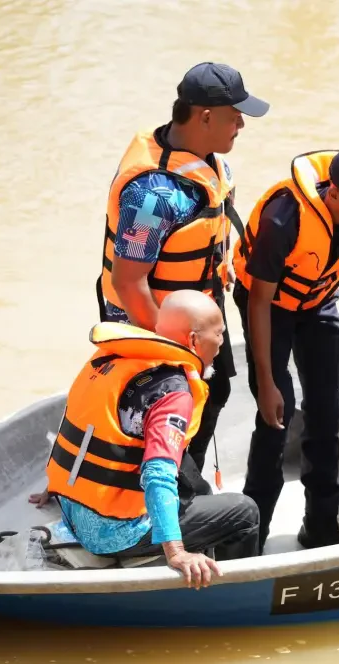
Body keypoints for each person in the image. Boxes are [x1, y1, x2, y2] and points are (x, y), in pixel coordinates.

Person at [97, 61, 270, 473]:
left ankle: (185, 479)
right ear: (205, 117)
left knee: (216, 390)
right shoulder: (152, 195)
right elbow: (129, 281)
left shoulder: (210, 164)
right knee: (168, 408)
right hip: (152, 323)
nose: (241, 125)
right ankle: (165, 486)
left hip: (199, 308)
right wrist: (172, 353)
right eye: (235, 115)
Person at [231, 145, 339, 549]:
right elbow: (258, 300)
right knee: (275, 419)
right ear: (335, 195)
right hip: (269, 307)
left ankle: (321, 524)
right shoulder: (283, 218)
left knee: (326, 416)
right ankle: (251, 532)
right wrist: (267, 382)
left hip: (318, 302)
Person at [33, 290, 260, 589]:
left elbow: (84, 429)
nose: (221, 342)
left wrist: (57, 485)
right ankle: (235, 593)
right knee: (244, 512)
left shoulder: (109, 361)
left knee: (195, 483)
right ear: (193, 340)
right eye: (218, 333)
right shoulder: (173, 392)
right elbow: (157, 474)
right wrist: (176, 552)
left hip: (71, 505)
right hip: (109, 532)